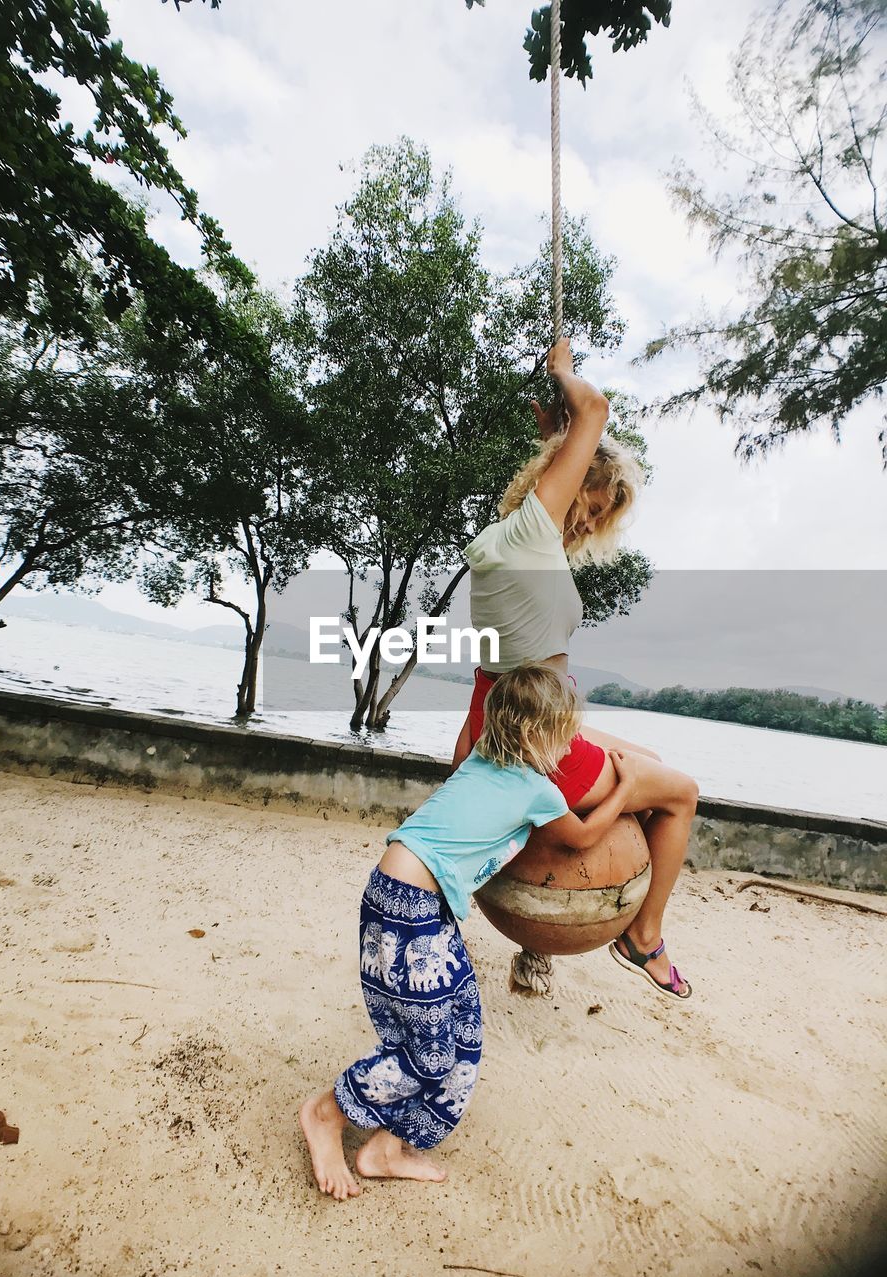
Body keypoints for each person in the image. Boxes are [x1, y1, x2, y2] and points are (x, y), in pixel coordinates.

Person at [299, 664, 639, 1201]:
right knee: (427, 1054)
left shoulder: (484, 753)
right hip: (405, 909)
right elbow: (585, 836)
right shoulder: (537, 790)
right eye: (565, 731)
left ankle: (386, 1146)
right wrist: (626, 785)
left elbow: (479, 729)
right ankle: (327, 1112)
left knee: (464, 1040)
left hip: (422, 910)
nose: (573, 742)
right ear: (533, 736)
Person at [452, 337, 699, 1000]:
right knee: (680, 794)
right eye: (591, 502)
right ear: (566, 479)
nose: (590, 519)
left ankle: (539, 949)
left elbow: (492, 679)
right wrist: (563, 372)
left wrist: (557, 439)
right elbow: (596, 407)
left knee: (645, 757)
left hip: (503, 723)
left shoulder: (513, 541)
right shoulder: (532, 534)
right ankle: (642, 936)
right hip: (540, 746)